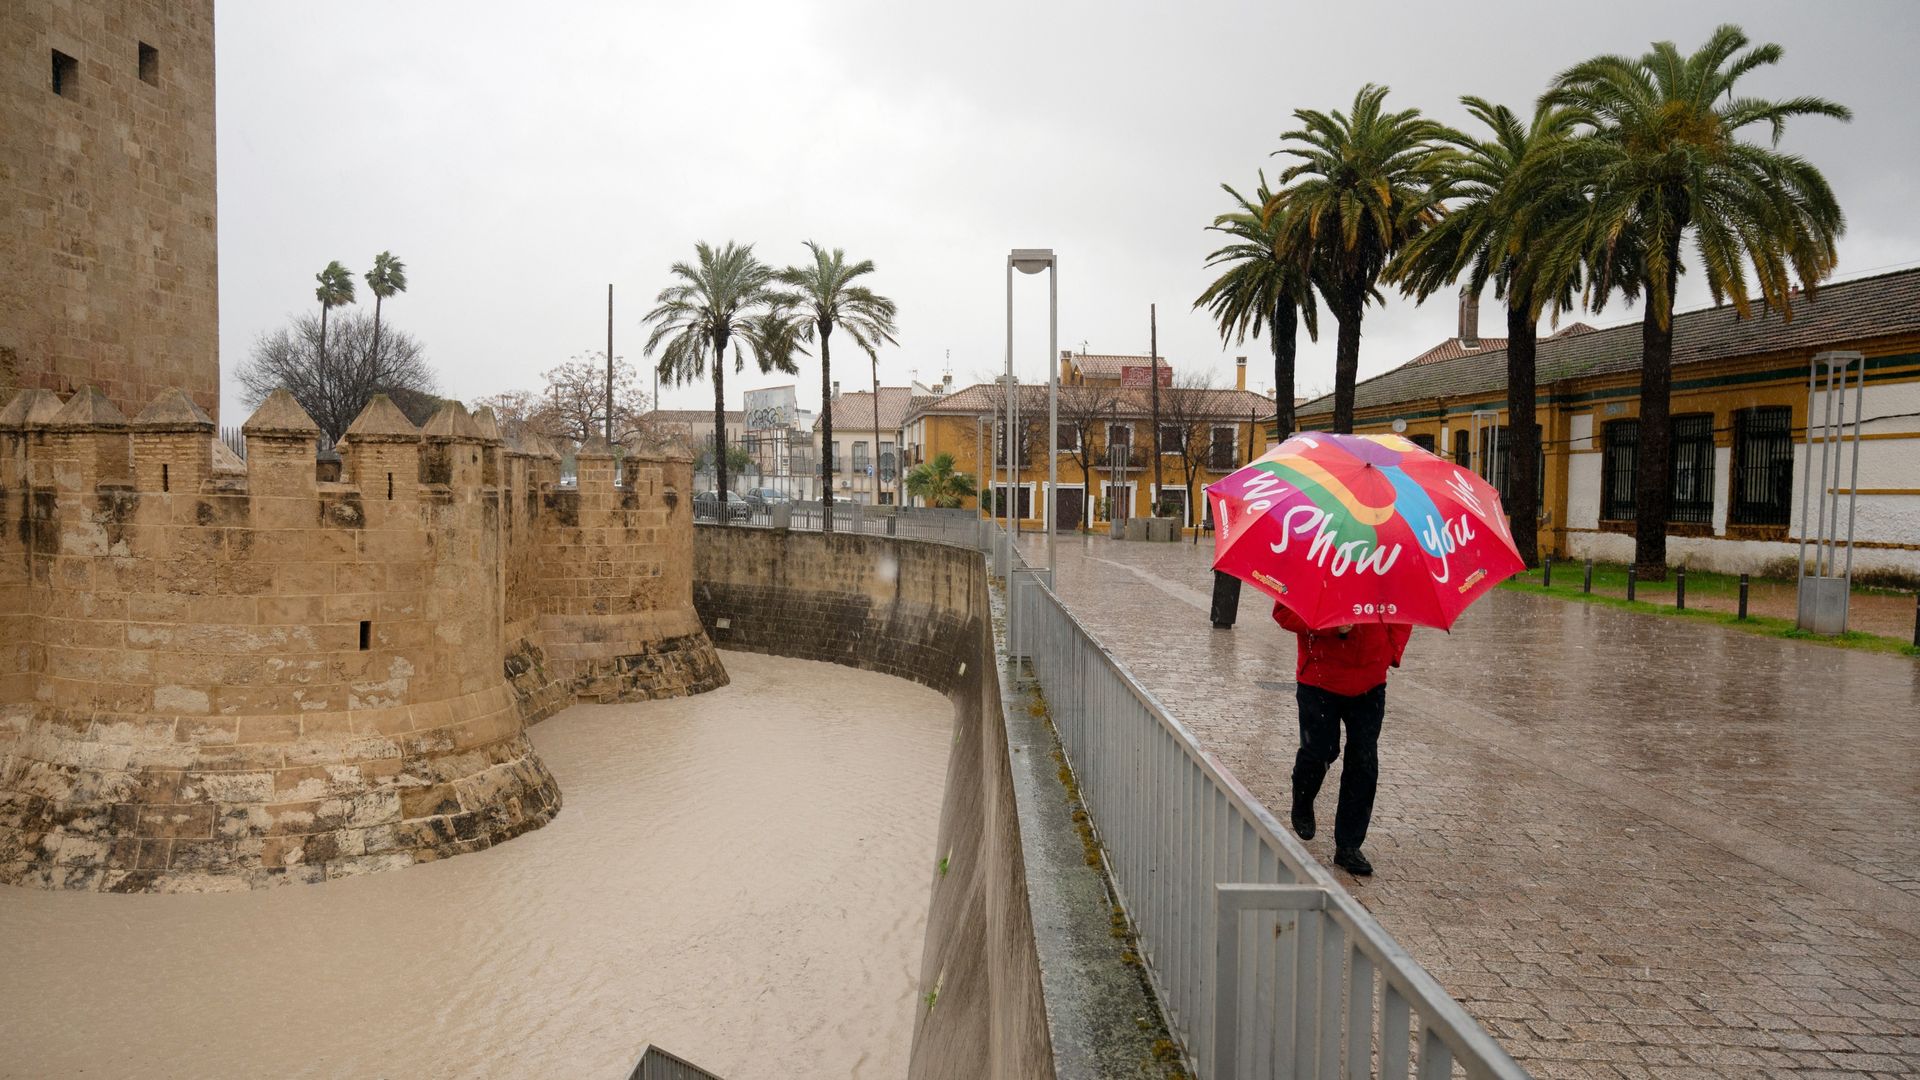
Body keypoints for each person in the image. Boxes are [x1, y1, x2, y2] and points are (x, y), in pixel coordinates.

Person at [1272, 603, 1412, 876]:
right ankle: (1303, 796)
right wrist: (1330, 625)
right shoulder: (1315, 562)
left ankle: (1348, 845)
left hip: (1371, 682)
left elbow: (1404, 613)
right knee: (1320, 752)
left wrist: (1389, 651)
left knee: (1364, 762)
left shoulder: (1388, 570)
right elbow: (1284, 612)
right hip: (1319, 680)